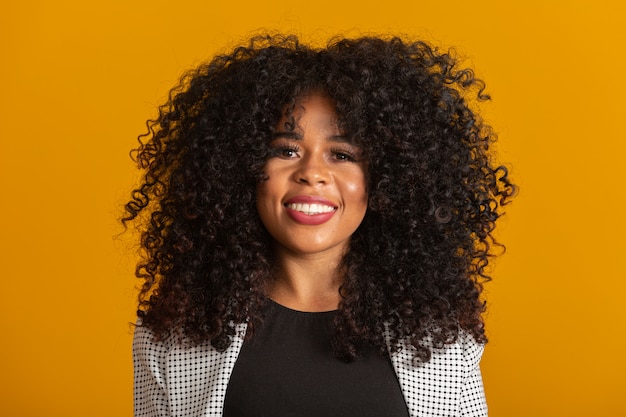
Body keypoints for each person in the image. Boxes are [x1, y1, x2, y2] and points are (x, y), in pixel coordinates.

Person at [124, 33, 516, 417]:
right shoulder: (174, 334)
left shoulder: (439, 333)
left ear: (388, 179)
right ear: (239, 168)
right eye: (286, 150)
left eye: (342, 154)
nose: (312, 173)